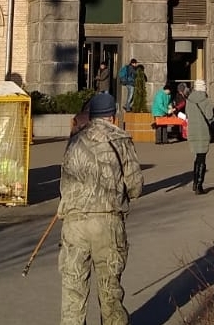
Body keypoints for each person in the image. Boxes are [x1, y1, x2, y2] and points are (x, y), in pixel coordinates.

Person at [58, 93, 144, 325]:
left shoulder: (75, 141)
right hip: (107, 223)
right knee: (110, 291)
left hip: (74, 223)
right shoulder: (120, 140)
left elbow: (64, 184)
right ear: (112, 117)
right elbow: (135, 186)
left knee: (73, 291)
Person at [186, 79, 214, 195]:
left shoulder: (189, 100)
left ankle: (195, 182)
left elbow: (187, 114)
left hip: (192, 130)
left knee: (197, 156)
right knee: (202, 158)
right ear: (204, 88)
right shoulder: (206, 100)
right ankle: (199, 185)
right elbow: (209, 116)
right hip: (203, 131)